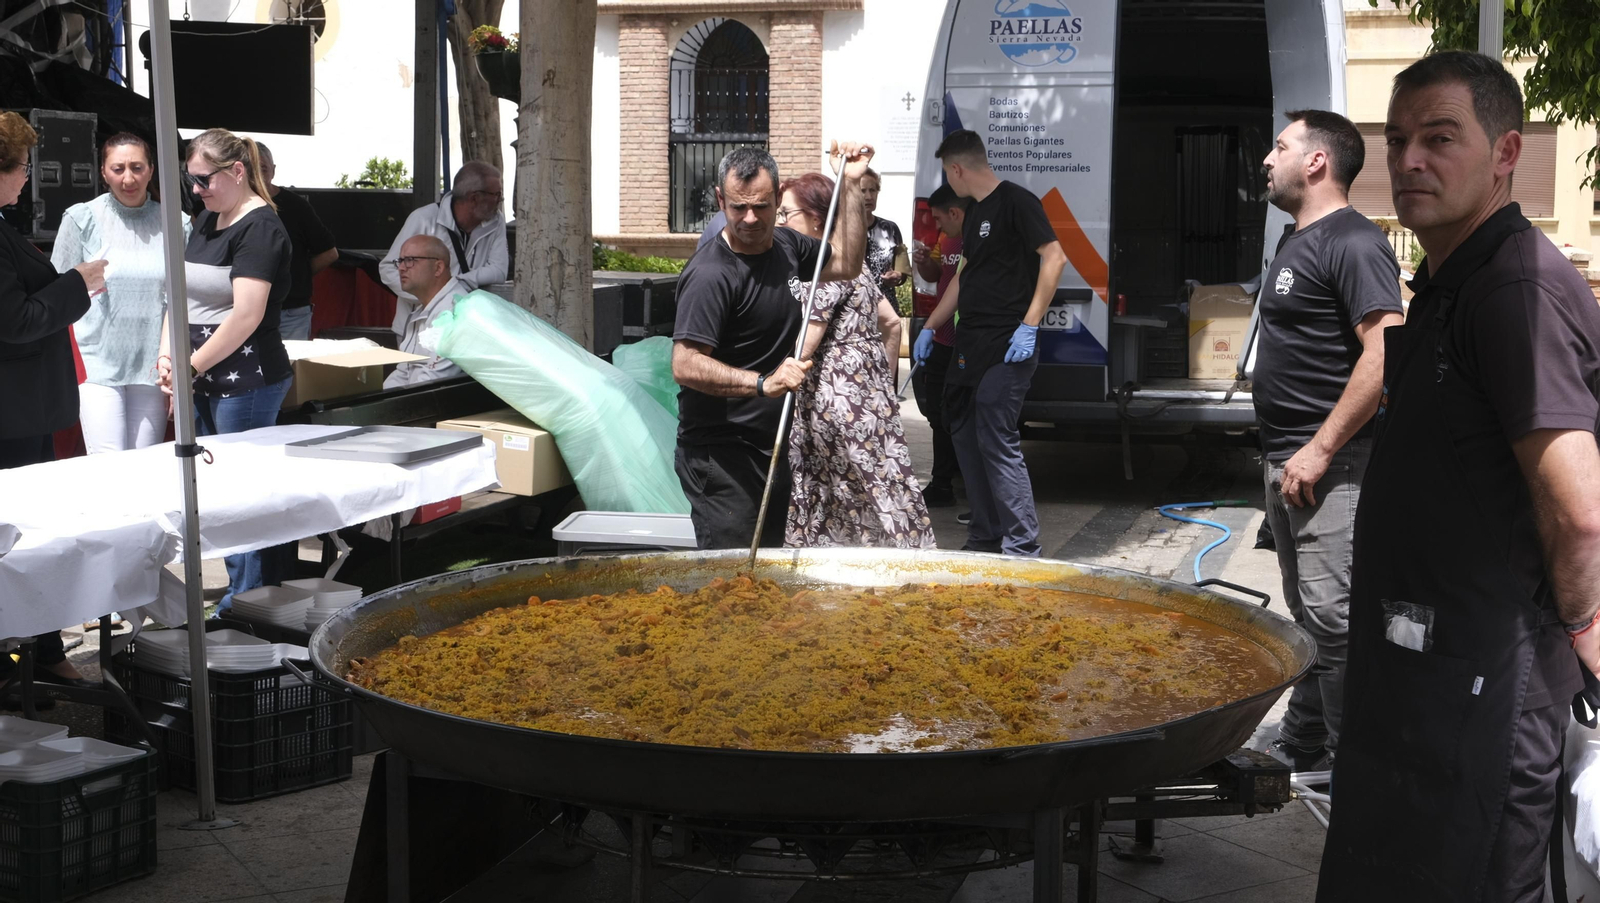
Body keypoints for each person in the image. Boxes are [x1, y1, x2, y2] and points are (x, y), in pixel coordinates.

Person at [1320, 51, 1600, 903]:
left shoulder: (1516, 287)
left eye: (1440, 138)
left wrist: (1584, 624)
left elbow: (1580, 512)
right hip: (1417, 684)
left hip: (1483, 696)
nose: (1409, 160)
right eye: (1398, 138)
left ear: (1507, 152)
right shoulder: (1449, 281)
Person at [1251, 110, 1405, 772]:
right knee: (1310, 619)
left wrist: (1318, 448)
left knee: (1336, 627)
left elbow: (1385, 347)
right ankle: (1303, 742)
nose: (1267, 157)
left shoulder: (1354, 240)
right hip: (1292, 462)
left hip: (1333, 466)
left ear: (1317, 162)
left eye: (1280, 146)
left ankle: (1357, 772)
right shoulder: (1298, 238)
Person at [671, 142, 875, 551]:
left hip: (770, 444)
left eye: (761, 207)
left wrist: (850, 185)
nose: (749, 219)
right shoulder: (712, 274)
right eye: (737, 207)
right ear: (720, 199)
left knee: (765, 573)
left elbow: (848, 263)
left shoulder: (786, 246)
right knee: (732, 581)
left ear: (779, 196)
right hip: (722, 455)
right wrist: (763, 383)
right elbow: (685, 363)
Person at [156, 128, 294, 616]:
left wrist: (189, 365)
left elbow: (247, 314)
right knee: (216, 494)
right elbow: (180, 293)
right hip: (203, 376)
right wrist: (167, 355)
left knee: (242, 496)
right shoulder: (206, 217)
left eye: (203, 180)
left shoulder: (261, 228)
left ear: (236, 172)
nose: (196, 190)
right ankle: (244, 596)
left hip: (246, 381)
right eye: (191, 181)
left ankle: (247, 604)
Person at [912, 130, 1066, 557]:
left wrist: (1030, 324)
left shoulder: (1018, 202)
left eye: (948, 171)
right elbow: (964, 276)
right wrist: (930, 325)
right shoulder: (975, 211)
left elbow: (1054, 258)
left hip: (1007, 342)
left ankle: (1022, 545)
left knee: (996, 437)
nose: (949, 180)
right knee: (962, 431)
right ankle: (984, 536)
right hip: (970, 343)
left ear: (957, 168)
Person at [0, 111, 106, 704]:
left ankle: (39, 650)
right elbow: (15, 322)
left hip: (23, 412)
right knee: (19, 538)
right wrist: (76, 284)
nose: (25, 181)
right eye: (20, 170)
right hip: (11, 417)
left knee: (28, 537)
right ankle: (24, 655)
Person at [777, 171, 934, 548]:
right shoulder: (851, 261)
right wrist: (881, 385)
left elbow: (807, 343)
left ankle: (840, 562)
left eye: (786, 214)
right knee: (880, 483)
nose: (780, 223)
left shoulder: (822, 270)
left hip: (834, 399)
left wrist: (775, 375)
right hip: (868, 399)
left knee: (834, 486)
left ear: (815, 218)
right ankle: (902, 558)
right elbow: (892, 322)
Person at [49, 133, 178, 455]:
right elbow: (56, 290)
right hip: (96, 363)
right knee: (109, 466)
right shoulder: (81, 218)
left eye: (136, 167)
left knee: (145, 464)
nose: (128, 178)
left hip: (153, 366)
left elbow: (183, 300)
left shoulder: (176, 224)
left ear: (150, 170)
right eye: (118, 168)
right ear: (103, 172)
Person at [379, 161, 507, 325]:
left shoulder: (496, 221)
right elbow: (388, 268)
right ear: (474, 198)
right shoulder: (423, 219)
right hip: (417, 326)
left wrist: (456, 285)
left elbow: (499, 270)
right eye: (496, 194)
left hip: (464, 324)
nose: (500, 200)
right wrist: (433, 298)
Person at [910, 184, 967, 508]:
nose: (937, 227)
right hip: (941, 338)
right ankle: (942, 481)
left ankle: (950, 481)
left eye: (939, 219)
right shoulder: (945, 238)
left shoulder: (972, 240)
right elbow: (936, 275)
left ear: (955, 213)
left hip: (962, 341)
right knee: (936, 412)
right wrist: (922, 262)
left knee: (953, 414)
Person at [255, 143, 337, 341]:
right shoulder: (232, 207)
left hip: (290, 312)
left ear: (273, 171)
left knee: (291, 370)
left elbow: (329, 252)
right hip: (242, 310)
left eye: (263, 168)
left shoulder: (296, 206)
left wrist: (296, 275)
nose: (257, 174)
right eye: (252, 168)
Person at [384, 235, 465, 389]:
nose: (401, 268)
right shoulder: (424, 310)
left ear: (438, 268)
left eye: (410, 260)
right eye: (400, 261)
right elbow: (403, 372)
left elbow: (432, 383)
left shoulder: (455, 312)